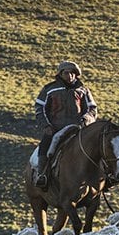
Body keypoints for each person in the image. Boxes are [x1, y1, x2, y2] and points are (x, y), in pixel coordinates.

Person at [32, 59, 97, 189]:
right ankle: (42, 174)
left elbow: (92, 109)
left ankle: (103, 178)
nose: (70, 76)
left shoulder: (83, 90)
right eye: (67, 73)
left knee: (96, 147)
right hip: (55, 128)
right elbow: (40, 108)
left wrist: (86, 119)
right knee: (45, 144)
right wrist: (46, 126)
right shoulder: (49, 89)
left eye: (73, 73)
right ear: (60, 74)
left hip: (78, 128)